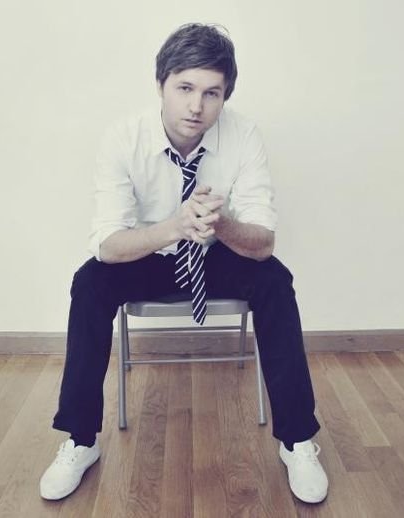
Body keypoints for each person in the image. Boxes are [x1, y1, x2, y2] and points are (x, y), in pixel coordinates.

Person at [40, 23, 329, 504]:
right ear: (161, 84)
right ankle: (80, 439)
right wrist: (174, 226)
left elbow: (263, 242)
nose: (197, 106)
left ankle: (297, 440)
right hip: (150, 253)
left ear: (225, 95)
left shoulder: (243, 135)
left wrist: (220, 223)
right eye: (185, 88)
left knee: (275, 280)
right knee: (89, 283)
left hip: (215, 253)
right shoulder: (123, 138)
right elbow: (107, 244)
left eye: (212, 93)